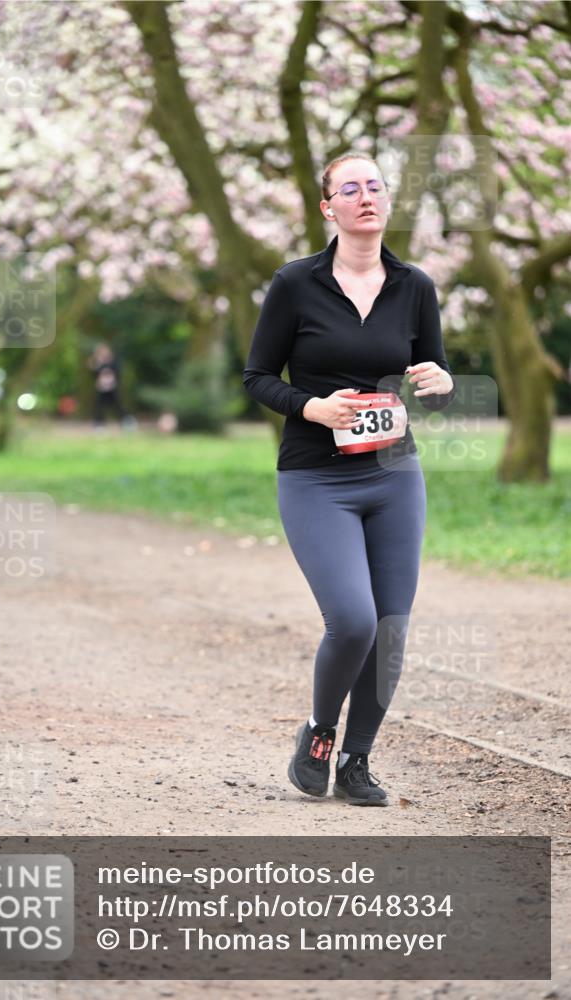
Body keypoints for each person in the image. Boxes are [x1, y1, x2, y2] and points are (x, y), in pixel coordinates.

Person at [242, 151, 456, 806]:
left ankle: (357, 761)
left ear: (386, 201)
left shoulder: (413, 285)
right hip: (314, 477)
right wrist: (311, 407)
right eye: (349, 188)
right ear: (326, 207)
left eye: (374, 186)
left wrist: (440, 383)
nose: (365, 197)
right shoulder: (294, 284)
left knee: (390, 627)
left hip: (393, 473)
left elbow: (435, 380)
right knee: (353, 620)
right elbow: (255, 378)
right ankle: (318, 731)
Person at [87, 343, 137, 430]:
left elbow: (118, 373)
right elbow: (94, 373)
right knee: (99, 407)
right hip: (102, 389)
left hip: (113, 389)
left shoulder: (114, 361)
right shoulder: (98, 363)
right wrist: (96, 364)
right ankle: (99, 424)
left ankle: (127, 421)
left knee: (118, 406)